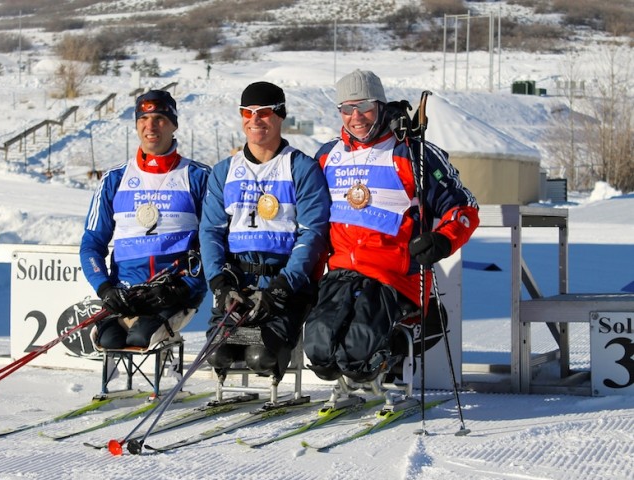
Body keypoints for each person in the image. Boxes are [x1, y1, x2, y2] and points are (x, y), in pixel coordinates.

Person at [303, 69, 480, 390]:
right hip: (342, 273)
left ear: (381, 105)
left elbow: (464, 208)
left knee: (357, 356)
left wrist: (441, 241)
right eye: (346, 109)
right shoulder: (328, 155)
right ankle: (360, 365)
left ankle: (410, 335)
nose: (355, 117)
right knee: (319, 356)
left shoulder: (413, 153)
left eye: (365, 107)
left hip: (393, 276)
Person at [199, 81, 330, 382]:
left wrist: (283, 286)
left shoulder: (301, 168)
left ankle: (276, 359)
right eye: (248, 112)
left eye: (265, 112)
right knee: (217, 354)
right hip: (240, 282)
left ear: (280, 116)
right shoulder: (224, 171)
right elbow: (210, 232)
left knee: (260, 357)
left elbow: (312, 233)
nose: (255, 120)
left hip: (284, 285)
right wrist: (219, 282)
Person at [80, 89, 210, 350]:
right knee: (108, 339)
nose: (151, 126)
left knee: (141, 337)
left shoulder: (197, 176)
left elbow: (216, 242)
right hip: (128, 291)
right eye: (143, 119)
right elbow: (92, 243)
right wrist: (105, 288)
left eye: (160, 118)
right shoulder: (115, 179)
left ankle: (167, 379)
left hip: (174, 290)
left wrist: (185, 287)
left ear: (173, 124)